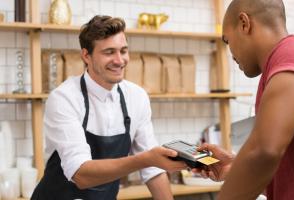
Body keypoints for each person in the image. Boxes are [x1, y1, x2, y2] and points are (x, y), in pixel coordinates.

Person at [194, 0, 294, 199]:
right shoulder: (282, 66)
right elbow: (288, 172)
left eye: (227, 41)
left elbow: (264, 151)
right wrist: (233, 166)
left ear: (244, 23)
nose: (231, 54)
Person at [31, 15, 187, 200]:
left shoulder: (136, 97)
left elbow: (152, 170)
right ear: (86, 56)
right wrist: (145, 159)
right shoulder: (64, 98)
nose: (119, 60)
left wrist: (150, 161)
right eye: (109, 52)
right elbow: (80, 174)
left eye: (123, 51)